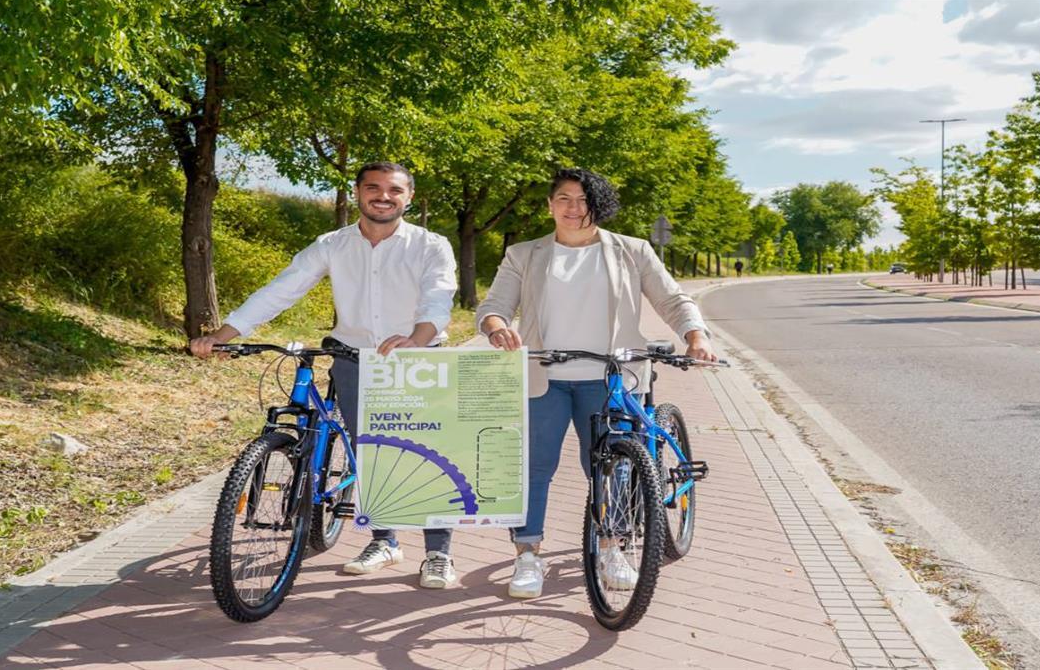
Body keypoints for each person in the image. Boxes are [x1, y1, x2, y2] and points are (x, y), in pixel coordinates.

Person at [189, 162, 460, 589]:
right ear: (357, 193)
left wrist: (417, 337)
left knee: (424, 454)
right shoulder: (333, 244)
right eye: (373, 188)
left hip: (417, 358)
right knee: (366, 449)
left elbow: (438, 296)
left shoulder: (431, 245)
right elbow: (284, 288)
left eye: (394, 190)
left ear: (409, 197)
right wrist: (227, 333)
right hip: (353, 359)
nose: (383, 196)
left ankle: (438, 552)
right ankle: (385, 540)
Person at [477, 168, 717, 599]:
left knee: (611, 468)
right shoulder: (524, 254)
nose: (574, 208)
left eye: (584, 200)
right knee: (534, 468)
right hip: (542, 376)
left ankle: (612, 548)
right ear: (549, 205)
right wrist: (496, 328)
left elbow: (672, 299)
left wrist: (695, 335)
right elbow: (494, 305)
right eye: (564, 199)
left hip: (611, 377)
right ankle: (527, 555)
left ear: (598, 206)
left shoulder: (632, 251)